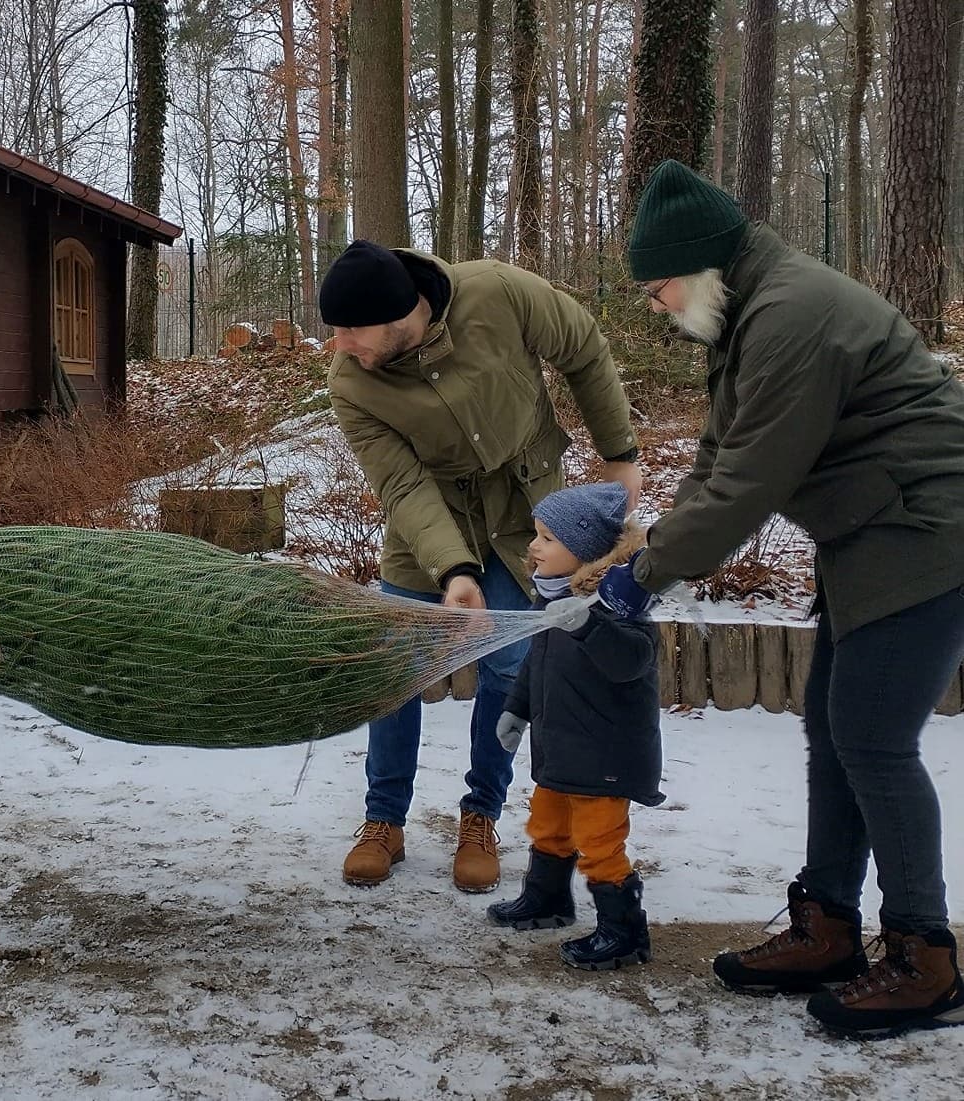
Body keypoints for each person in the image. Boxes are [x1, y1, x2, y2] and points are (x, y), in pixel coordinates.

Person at [598, 158, 964, 1037]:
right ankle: (828, 927)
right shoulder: (750, 315)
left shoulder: (790, 315)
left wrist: (644, 574)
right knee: (831, 730)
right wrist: (649, 548)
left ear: (698, 268)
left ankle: (924, 958)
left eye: (657, 290)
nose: (656, 307)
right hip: (875, 528)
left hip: (926, 530)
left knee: (872, 739)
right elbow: (715, 463)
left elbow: (750, 483)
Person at [320, 239, 642, 893]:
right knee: (398, 663)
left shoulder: (498, 292)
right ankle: (383, 819)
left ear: (397, 311)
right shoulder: (352, 383)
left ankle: (480, 815)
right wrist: (452, 571)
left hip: (523, 511)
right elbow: (404, 487)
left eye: (351, 330)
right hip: (427, 523)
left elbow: (581, 344)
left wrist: (618, 452)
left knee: (507, 665)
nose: (341, 346)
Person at [487, 482, 662, 971]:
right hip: (560, 748)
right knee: (548, 826)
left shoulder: (623, 603)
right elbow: (536, 664)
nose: (533, 546)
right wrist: (516, 710)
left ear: (583, 549)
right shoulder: (557, 602)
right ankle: (547, 900)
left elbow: (631, 661)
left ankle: (624, 932)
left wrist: (586, 626)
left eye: (547, 538)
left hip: (605, 754)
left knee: (601, 844)